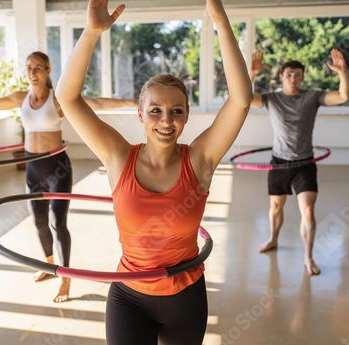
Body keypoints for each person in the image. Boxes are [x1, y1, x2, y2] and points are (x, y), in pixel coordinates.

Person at [55, 0, 252, 343]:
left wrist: (220, 20)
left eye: (176, 111)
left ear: (187, 116)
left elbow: (241, 100)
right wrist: (91, 33)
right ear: (141, 115)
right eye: (156, 110)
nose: (166, 120)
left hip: (185, 297)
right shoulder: (118, 157)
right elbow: (68, 98)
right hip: (129, 297)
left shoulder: (200, 160)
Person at [0, 51, 136, 302]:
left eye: (38, 67)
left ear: (48, 71)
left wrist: (132, 103)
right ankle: (49, 265)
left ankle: (65, 276)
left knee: (57, 223)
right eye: (29, 68)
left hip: (57, 167)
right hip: (33, 169)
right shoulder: (20, 98)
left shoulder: (57, 100)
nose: (33, 72)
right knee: (38, 221)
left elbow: (96, 103)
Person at [249, 48, 349, 275]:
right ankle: (273, 238)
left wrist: (343, 73)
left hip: (304, 164)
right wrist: (252, 73)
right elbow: (244, 98)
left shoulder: (312, 97)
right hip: (279, 162)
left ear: (302, 77)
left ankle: (308, 257)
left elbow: (344, 97)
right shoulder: (272, 99)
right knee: (275, 207)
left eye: (297, 75)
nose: (293, 78)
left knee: (308, 211)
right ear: (282, 77)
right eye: (289, 75)